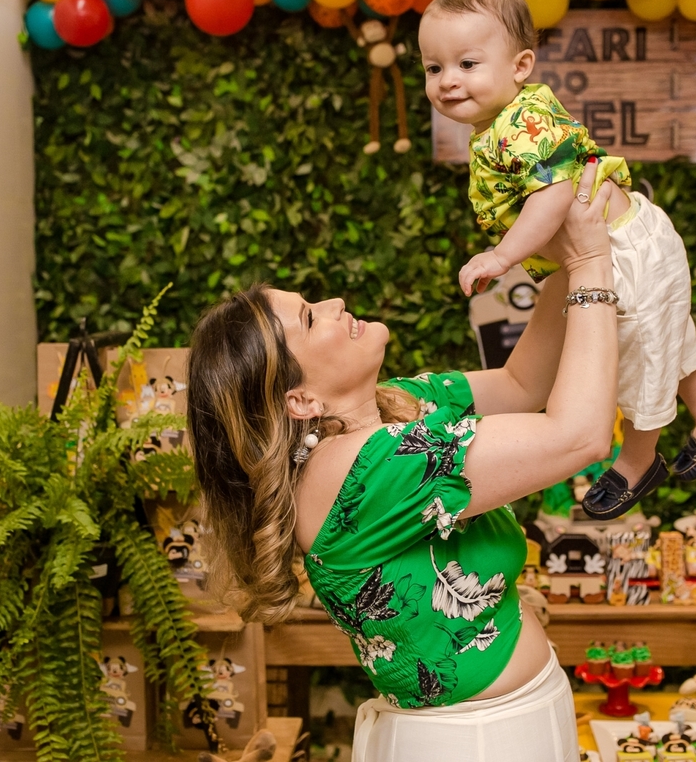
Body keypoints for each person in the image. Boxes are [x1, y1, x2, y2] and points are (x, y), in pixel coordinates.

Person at [188, 167, 618, 762]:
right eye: (311, 317)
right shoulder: (364, 470)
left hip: (510, 724)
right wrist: (593, 263)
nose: (335, 302)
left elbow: (522, 384)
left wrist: (556, 254)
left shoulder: (392, 410)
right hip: (476, 746)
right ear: (300, 401)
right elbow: (580, 438)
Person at [418, 0, 696, 518]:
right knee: (665, 334)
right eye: (434, 68)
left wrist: (503, 256)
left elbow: (552, 195)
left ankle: (639, 459)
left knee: (637, 353)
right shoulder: (498, 126)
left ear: (520, 66)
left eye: (467, 64)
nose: (447, 81)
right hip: (630, 240)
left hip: (620, 247)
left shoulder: (522, 124)